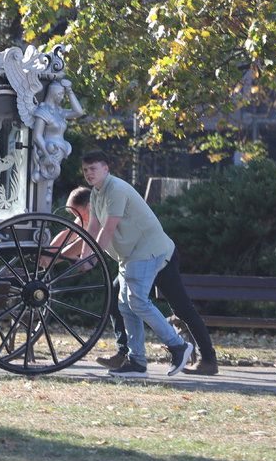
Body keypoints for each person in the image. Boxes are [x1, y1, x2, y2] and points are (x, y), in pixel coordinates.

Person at [62, 186, 219, 376]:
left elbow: (83, 243)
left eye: (76, 213)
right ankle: (125, 353)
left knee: (181, 308)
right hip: (133, 261)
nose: (76, 220)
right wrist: (51, 255)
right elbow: (71, 237)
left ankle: (208, 360)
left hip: (159, 259)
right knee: (117, 299)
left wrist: (58, 256)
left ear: (88, 206)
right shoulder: (91, 218)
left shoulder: (105, 216)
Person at [81, 150, 194, 378]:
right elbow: (92, 227)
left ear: (106, 169)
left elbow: (108, 228)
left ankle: (178, 346)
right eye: (85, 170)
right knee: (125, 305)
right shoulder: (96, 193)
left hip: (147, 250)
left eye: (93, 169)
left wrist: (93, 259)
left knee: (137, 301)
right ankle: (137, 362)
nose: (88, 174)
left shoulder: (116, 189)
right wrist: (85, 256)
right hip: (130, 255)